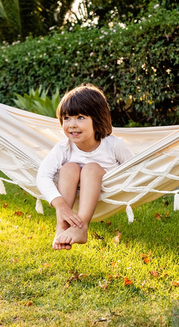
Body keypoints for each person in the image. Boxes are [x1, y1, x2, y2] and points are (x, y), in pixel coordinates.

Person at [36, 84, 134, 250]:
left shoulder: (113, 145)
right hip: (71, 194)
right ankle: (62, 227)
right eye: (67, 118)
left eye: (80, 117)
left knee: (90, 168)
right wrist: (60, 204)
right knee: (68, 168)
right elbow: (42, 176)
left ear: (97, 118)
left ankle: (81, 228)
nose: (72, 124)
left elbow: (134, 170)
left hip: (106, 188)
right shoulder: (63, 148)